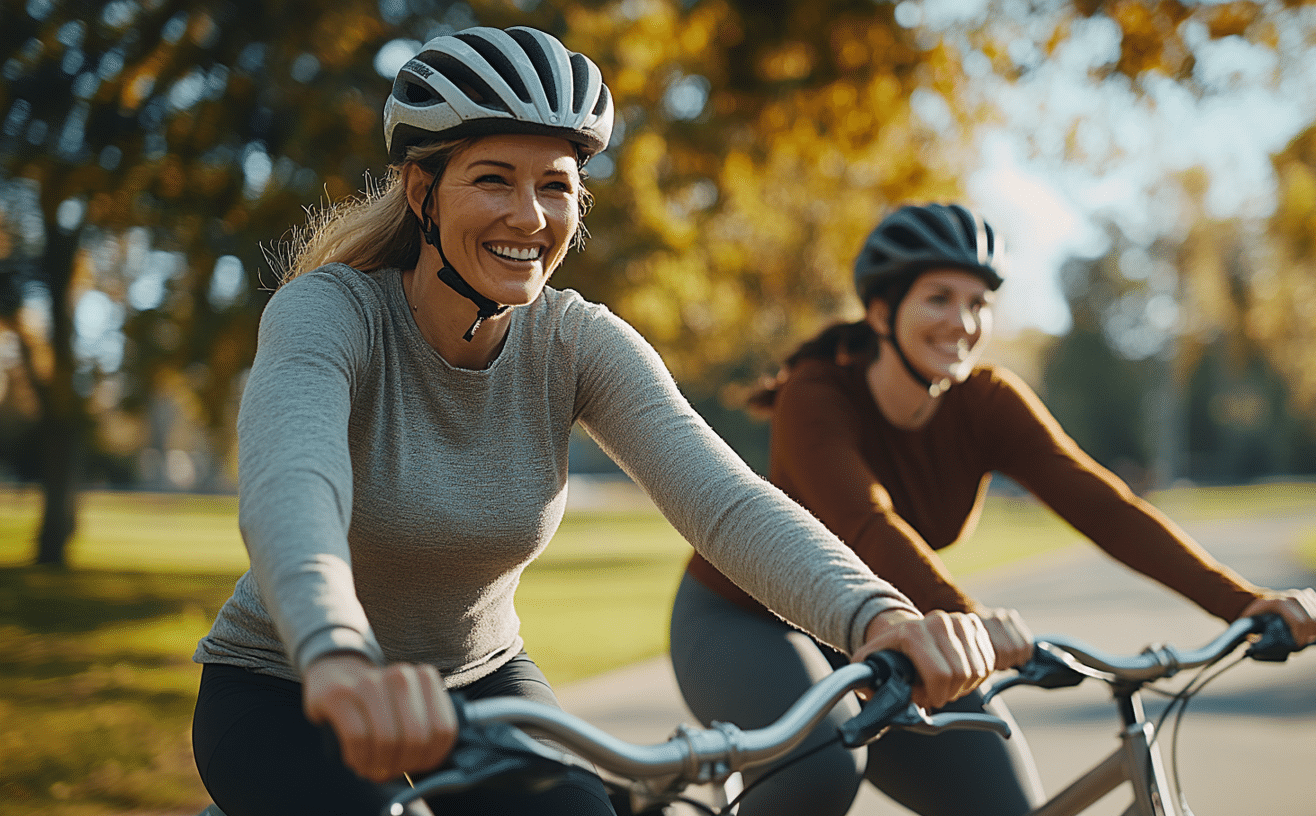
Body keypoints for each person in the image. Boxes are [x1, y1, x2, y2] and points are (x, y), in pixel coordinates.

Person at [190, 30, 999, 816]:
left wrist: (880, 616)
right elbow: (294, 484)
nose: (530, 217)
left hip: (479, 683)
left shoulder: (576, 341)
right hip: (289, 683)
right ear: (422, 193)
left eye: (555, 185)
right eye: (494, 179)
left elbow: (724, 499)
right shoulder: (331, 314)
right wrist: (334, 651)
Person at [670, 202, 1316, 816]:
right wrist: (968, 619)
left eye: (978, 302)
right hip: (746, 619)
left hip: (905, 632)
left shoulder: (986, 402)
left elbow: (1103, 505)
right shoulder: (815, 396)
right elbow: (864, 525)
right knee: (820, 770)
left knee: (1004, 805)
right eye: (938, 298)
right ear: (880, 312)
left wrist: (1242, 602)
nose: (963, 322)